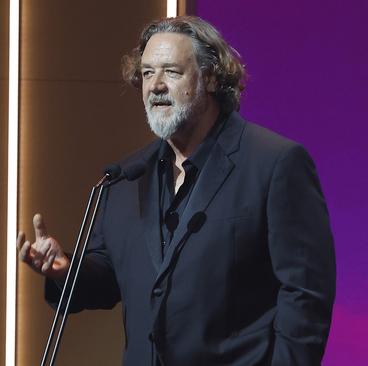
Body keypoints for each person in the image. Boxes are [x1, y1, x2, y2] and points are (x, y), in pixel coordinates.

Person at [17, 16, 336, 366]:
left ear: (211, 77)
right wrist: (65, 270)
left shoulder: (274, 164)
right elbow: (109, 278)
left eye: (171, 71)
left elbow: (305, 295)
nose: (155, 85)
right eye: (147, 72)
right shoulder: (126, 178)